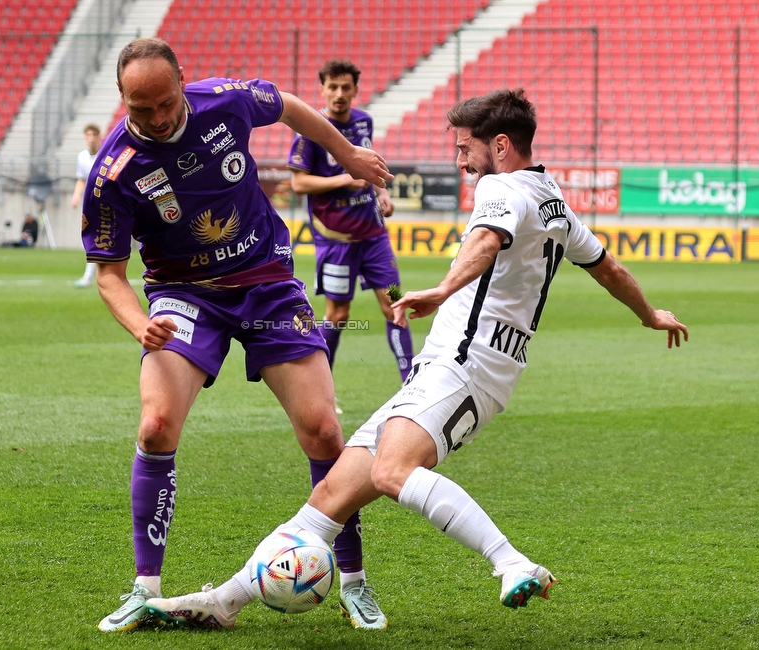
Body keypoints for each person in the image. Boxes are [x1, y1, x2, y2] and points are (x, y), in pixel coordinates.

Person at [142, 88, 690, 630]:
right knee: (330, 496)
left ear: (500, 146)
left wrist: (441, 289)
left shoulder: (500, 189)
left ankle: (511, 561)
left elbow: (485, 242)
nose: (459, 160)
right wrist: (649, 314)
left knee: (392, 470)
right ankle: (227, 601)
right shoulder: (552, 199)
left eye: (464, 148)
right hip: (459, 368)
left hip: (465, 365)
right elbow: (609, 269)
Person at [80, 38, 394, 633]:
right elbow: (111, 277)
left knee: (324, 429)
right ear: (122, 100)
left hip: (267, 282)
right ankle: (145, 590)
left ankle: (352, 579)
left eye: (166, 102)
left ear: (182, 83)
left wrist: (349, 153)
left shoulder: (224, 100)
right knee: (155, 424)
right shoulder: (113, 173)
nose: (157, 117)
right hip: (183, 296)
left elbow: (289, 105)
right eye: (140, 109)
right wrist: (137, 323)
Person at [288, 60, 413, 408]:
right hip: (336, 242)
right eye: (333, 87)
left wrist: (382, 192)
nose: (340, 94)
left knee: (396, 304)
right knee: (338, 316)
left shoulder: (363, 122)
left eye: (346, 87)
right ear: (322, 89)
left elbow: (371, 169)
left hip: (375, 240)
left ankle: (412, 386)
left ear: (356, 90)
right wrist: (345, 178)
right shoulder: (310, 131)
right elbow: (299, 183)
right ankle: (322, 393)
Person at [73, 123, 103, 287]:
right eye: (88, 136)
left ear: (99, 137)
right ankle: (88, 277)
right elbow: (82, 179)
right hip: (91, 205)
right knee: (93, 238)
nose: (91, 139)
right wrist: (76, 196)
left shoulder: (105, 155)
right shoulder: (82, 157)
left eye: (94, 135)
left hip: (109, 203)